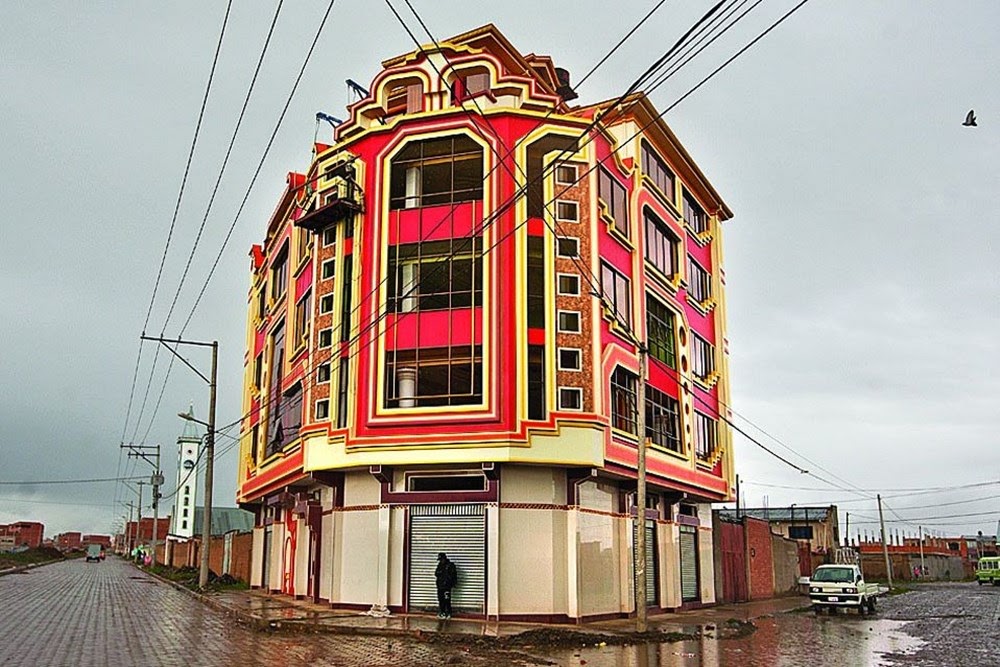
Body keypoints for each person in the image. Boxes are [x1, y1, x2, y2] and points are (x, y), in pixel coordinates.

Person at [434, 552, 457, 619]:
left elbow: (454, 575)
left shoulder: (450, 565)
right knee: (441, 600)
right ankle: (442, 612)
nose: (441, 561)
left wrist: (453, 583)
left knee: (447, 599)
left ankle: (448, 613)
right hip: (440, 586)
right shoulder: (439, 565)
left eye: (441, 559)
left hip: (447, 586)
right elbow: (436, 573)